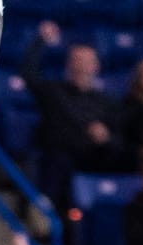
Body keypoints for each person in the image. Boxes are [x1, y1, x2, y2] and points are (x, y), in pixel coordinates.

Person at [23, 25, 126, 210]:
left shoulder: (107, 102)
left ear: (96, 66)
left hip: (95, 159)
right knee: (58, 161)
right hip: (59, 159)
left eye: (87, 62)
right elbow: (28, 74)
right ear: (69, 64)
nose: (82, 66)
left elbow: (119, 138)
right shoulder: (53, 92)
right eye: (77, 61)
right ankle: (43, 212)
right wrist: (41, 41)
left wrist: (106, 137)